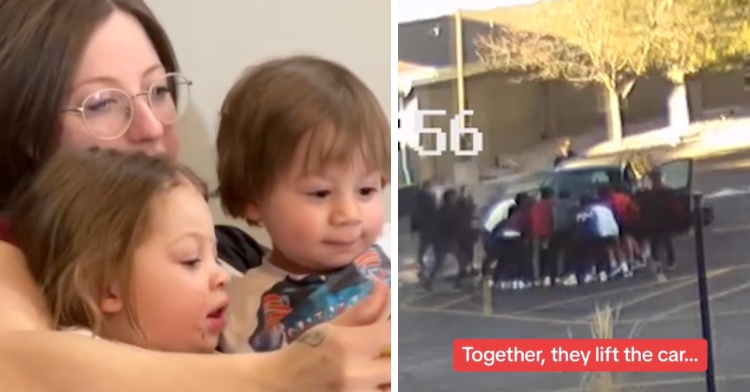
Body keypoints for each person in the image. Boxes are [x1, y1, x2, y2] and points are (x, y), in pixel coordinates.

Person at [0, 1, 390, 391]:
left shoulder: (233, 257)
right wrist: (286, 373)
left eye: (157, 90)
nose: (152, 126)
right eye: (101, 103)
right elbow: (15, 362)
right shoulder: (14, 256)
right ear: (27, 131)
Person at [212, 56, 391, 353]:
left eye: (366, 190)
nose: (348, 215)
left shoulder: (393, 257)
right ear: (253, 198)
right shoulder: (234, 309)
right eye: (320, 193)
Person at [12, 149, 231, 353]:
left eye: (216, 256)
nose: (223, 277)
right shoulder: (81, 362)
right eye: (191, 260)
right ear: (107, 288)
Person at [411, 179, 439, 277]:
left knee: (424, 244)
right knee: (435, 243)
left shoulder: (418, 198)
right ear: (428, 187)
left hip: (422, 226)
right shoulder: (428, 197)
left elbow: (414, 213)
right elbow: (433, 210)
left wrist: (413, 227)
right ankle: (435, 261)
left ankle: (420, 261)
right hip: (429, 225)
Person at [551, 189, 579, 286]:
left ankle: (560, 273)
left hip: (557, 230)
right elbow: (575, 218)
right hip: (568, 230)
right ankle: (571, 273)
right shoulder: (573, 205)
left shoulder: (554, 206)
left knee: (560, 253)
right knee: (571, 253)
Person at [530, 187, 554, 286]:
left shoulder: (535, 206)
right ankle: (549, 274)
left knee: (536, 254)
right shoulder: (551, 205)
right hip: (547, 232)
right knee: (549, 254)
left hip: (536, 232)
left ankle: (537, 276)